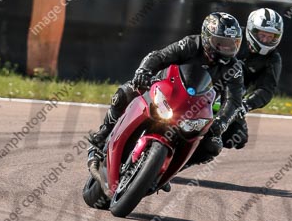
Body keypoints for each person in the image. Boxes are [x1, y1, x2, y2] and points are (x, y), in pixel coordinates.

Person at [88, 12, 244, 173]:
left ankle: (171, 169)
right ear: (206, 37)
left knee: (213, 145)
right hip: (165, 91)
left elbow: (234, 100)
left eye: (232, 44)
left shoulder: (234, 68)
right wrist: (144, 71)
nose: (226, 49)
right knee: (125, 92)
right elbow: (159, 56)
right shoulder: (190, 44)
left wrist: (222, 122)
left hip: (196, 109)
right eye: (221, 43)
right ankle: (103, 134)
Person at [222, 8, 283, 151]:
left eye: (271, 37)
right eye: (262, 35)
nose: (266, 40)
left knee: (237, 138)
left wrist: (246, 105)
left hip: (231, 100)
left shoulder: (273, 59)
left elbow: (266, 89)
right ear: (252, 30)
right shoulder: (232, 35)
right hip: (205, 86)